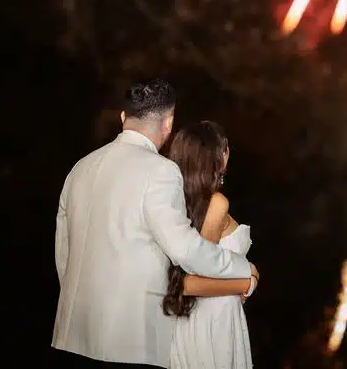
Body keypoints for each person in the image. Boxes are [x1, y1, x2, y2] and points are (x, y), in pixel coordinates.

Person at [52, 79, 259, 368]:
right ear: (169, 123)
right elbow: (185, 250)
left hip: (73, 334)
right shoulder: (160, 171)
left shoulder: (79, 168)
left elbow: (64, 251)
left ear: (123, 117)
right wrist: (242, 270)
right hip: (129, 340)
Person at [163, 121, 254, 369]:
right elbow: (187, 283)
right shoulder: (217, 203)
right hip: (212, 321)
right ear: (220, 154)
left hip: (193, 321)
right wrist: (247, 281)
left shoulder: (174, 202)